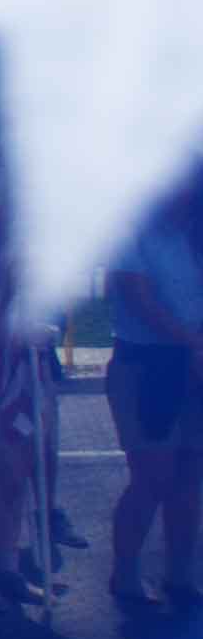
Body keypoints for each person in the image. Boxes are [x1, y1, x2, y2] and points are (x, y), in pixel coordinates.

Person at [106, 184, 203, 605]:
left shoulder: (195, 233)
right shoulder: (135, 232)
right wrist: (192, 342)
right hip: (146, 367)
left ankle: (179, 575)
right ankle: (125, 575)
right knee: (152, 478)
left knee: (189, 479)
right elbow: (138, 298)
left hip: (192, 366)